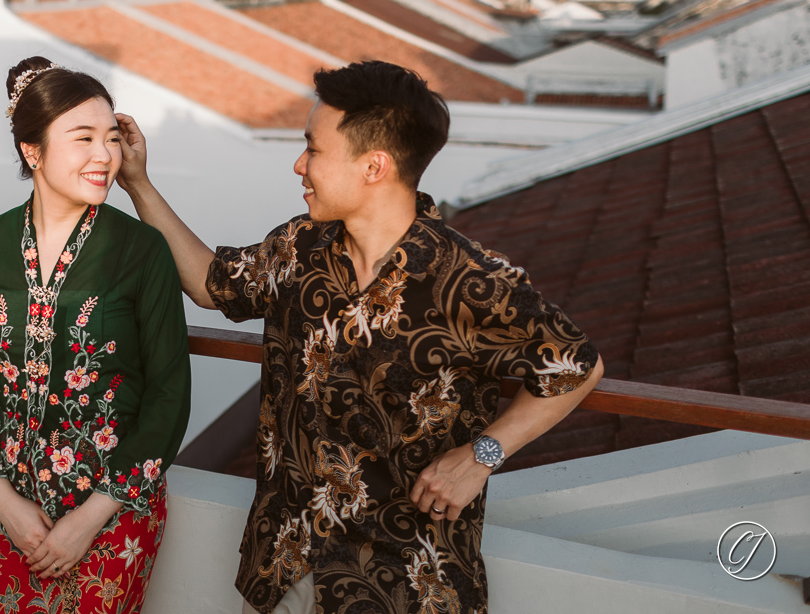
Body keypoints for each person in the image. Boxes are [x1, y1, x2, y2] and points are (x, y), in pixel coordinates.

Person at [115, 60, 604, 614]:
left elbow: (574, 363)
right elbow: (210, 283)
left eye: (314, 149)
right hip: (285, 567)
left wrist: (482, 455)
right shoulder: (299, 248)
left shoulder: (469, 279)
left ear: (374, 166)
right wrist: (138, 184)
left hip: (405, 587)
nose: (299, 165)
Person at [0, 56, 191, 614]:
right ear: (34, 152)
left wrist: (90, 517)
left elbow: (169, 394)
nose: (104, 156)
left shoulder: (142, 249)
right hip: (2, 511)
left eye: (111, 138)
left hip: (110, 515)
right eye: (83, 138)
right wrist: (2, 501)